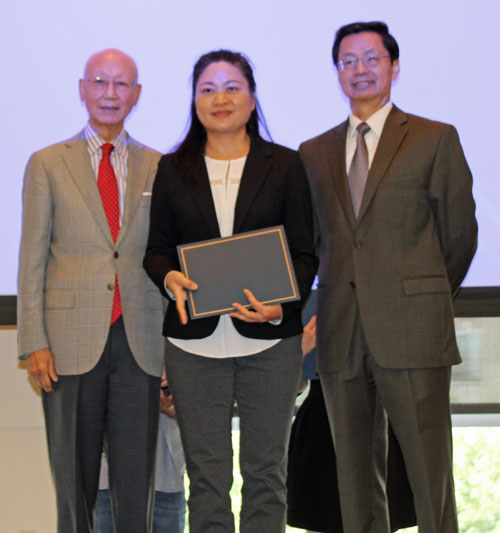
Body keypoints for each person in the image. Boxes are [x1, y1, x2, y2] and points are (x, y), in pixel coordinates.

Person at [299, 21, 477, 532]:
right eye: (348, 61)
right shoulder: (314, 152)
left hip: (414, 332)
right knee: (354, 482)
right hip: (340, 334)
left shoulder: (433, 138)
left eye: (371, 59)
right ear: (337, 72)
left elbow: (460, 235)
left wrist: (421, 297)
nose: (360, 70)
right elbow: (315, 242)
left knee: (428, 476)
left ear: (394, 67)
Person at [143, 49, 317, 532]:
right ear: (195, 101)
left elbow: (305, 254)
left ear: (253, 97)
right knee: (207, 478)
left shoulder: (284, 165)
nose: (220, 98)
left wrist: (280, 307)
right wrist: (168, 277)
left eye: (232, 87)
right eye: (207, 89)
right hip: (192, 345)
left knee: (266, 475)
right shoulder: (173, 167)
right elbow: (156, 250)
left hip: (270, 344)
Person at [17, 48, 165, 533]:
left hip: (139, 342)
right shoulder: (46, 163)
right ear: (82, 89)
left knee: (135, 485)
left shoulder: (157, 166)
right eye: (100, 82)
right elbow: (32, 259)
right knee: (73, 486)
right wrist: (33, 341)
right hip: (66, 344)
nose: (110, 93)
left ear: (136, 96)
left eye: (122, 85)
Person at [286, 283, 416, 532]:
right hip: (322, 419)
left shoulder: (389, 297)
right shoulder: (305, 295)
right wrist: (299, 352)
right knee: (322, 516)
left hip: (381, 412)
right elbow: (286, 391)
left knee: (380, 514)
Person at [95, 374, 186, 533]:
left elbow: (201, 411)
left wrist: (167, 405)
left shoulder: (182, 355)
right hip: (107, 481)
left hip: (167, 476)